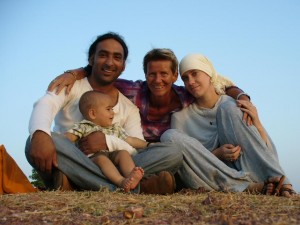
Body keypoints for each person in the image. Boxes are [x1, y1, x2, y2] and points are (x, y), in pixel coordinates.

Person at [49, 48, 284, 195]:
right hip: (130, 158)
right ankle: (137, 185)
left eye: (165, 74)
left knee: (171, 148)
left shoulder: (186, 95)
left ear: (174, 77)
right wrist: (73, 73)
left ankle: (85, 181)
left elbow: (221, 86)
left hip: (155, 157)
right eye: (152, 74)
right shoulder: (130, 90)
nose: (158, 80)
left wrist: (241, 96)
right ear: (145, 76)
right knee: (54, 142)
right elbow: (101, 74)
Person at [26, 32, 181, 194]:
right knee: (37, 137)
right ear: (91, 59)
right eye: (103, 55)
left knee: (172, 153)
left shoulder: (129, 107)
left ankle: (78, 183)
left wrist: (107, 142)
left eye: (116, 57)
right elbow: (46, 103)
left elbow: (136, 149)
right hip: (75, 158)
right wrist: (40, 134)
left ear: (123, 65)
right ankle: (133, 188)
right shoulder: (72, 85)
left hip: (116, 162)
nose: (109, 62)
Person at [162, 53, 296, 197]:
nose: (191, 81)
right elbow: (185, 163)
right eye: (185, 78)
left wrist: (257, 124)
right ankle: (248, 187)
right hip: (213, 178)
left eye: (195, 74)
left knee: (229, 109)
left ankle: (282, 183)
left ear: (209, 74)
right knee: (169, 136)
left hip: (250, 170)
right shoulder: (180, 116)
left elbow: (264, 151)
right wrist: (217, 154)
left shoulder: (231, 104)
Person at [65, 90, 149, 192]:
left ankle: (131, 176)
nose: (113, 112)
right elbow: (69, 137)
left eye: (112, 109)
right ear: (92, 113)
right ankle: (121, 181)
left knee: (123, 153)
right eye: (108, 109)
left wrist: (148, 144)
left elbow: (130, 140)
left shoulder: (115, 128)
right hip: (92, 159)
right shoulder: (84, 126)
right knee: (102, 159)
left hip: (112, 156)